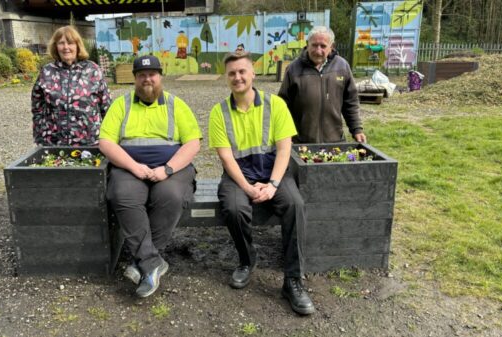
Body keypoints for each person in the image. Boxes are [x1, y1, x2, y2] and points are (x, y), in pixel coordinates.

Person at [208, 51, 315, 315]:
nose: (237, 77)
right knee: (233, 208)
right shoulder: (218, 112)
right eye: (232, 73)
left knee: (294, 205)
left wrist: (273, 184)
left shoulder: (275, 105)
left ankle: (292, 280)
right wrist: (246, 187)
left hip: (273, 172)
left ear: (253, 73)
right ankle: (246, 260)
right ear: (226, 77)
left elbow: (284, 149)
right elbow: (226, 157)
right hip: (239, 175)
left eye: (242, 71)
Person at [99, 55, 202, 298]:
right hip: (130, 167)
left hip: (171, 168)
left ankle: (141, 262)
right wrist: (134, 167)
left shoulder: (177, 105)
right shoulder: (120, 105)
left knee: (171, 195)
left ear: (160, 77)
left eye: (152, 74)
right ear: (134, 79)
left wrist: (167, 169)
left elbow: (193, 143)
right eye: (142, 75)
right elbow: (105, 142)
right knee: (121, 195)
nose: (148, 79)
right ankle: (152, 262)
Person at [278, 26, 366, 144]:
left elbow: (351, 102)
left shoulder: (342, 66)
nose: (318, 51)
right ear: (307, 44)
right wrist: (285, 135)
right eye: (314, 45)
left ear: (331, 47)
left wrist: (357, 129)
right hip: (301, 142)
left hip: (335, 141)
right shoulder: (293, 69)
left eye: (323, 46)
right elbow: (282, 105)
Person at [31, 25, 111, 146]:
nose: (66, 47)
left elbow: (106, 107)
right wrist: (39, 137)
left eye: (70, 43)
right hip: (54, 143)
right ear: (55, 47)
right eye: (61, 43)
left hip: (89, 142)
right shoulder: (47, 72)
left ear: (78, 46)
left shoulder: (92, 70)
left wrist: (109, 139)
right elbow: (38, 109)